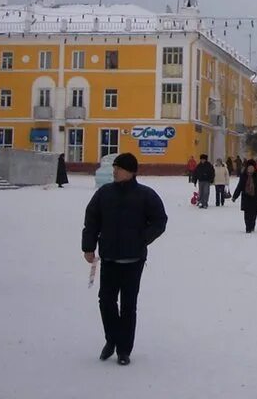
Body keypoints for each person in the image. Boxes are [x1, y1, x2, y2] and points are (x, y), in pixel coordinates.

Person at [82, 152, 168, 366]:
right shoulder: (104, 194)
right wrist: (88, 246)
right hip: (110, 258)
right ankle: (111, 339)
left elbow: (160, 220)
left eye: (118, 168)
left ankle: (124, 349)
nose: (114, 172)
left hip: (133, 259)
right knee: (106, 301)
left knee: (128, 306)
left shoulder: (145, 195)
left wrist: (142, 239)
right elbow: (92, 220)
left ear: (130, 171)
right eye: (114, 168)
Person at [232, 159, 257, 233]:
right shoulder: (243, 176)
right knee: (247, 213)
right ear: (247, 168)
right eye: (249, 167)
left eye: (252, 167)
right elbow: (240, 186)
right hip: (246, 197)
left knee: (254, 213)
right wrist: (235, 196)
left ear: (254, 168)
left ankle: (252, 225)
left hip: (256, 197)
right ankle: (248, 227)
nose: (250, 169)